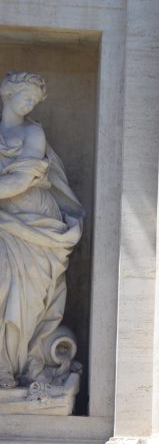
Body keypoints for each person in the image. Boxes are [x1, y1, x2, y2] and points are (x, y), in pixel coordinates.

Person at [0, 71, 83, 389]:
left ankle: (14, 366)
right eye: (26, 97)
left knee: (28, 294)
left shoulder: (34, 132)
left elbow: (20, 181)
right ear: (8, 94)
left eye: (35, 100)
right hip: (5, 221)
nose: (30, 104)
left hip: (35, 220)